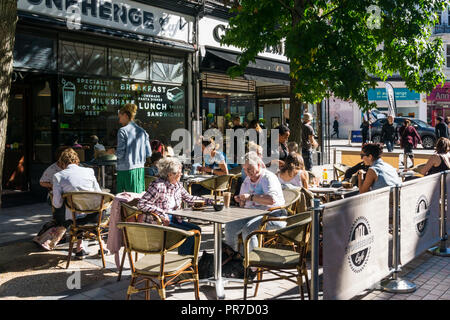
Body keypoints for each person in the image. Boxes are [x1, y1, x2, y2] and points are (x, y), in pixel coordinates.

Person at [137, 157, 214, 255]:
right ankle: (183, 261)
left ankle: (190, 262)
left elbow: (189, 198)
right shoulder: (158, 186)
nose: (181, 174)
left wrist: (210, 201)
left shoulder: (177, 185)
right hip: (159, 224)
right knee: (188, 234)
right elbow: (141, 204)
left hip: (173, 219)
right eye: (179, 172)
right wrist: (160, 213)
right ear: (170, 174)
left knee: (197, 230)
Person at [224, 152, 286, 253]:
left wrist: (251, 197)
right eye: (244, 169)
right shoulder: (247, 180)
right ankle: (233, 256)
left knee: (249, 230)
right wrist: (241, 201)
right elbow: (243, 204)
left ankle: (254, 265)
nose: (247, 172)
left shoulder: (267, 177)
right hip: (252, 214)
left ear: (258, 165)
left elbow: (271, 200)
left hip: (273, 214)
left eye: (249, 168)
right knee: (230, 226)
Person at [52, 148, 107, 258]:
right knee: (90, 211)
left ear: (62, 163)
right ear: (77, 161)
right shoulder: (89, 171)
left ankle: (79, 247)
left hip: (75, 218)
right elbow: (99, 193)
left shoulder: (58, 176)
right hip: (95, 216)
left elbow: (57, 204)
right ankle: (102, 246)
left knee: (71, 213)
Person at [116, 103, 152, 193]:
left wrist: (112, 151)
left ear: (125, 115)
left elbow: (120, 154)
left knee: (124, 201)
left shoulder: (123, 131)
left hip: (125, 171)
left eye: (120, 117)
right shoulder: (143, 132)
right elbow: (149, 153)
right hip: (139, 170)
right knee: (137, 200)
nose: (119, 121)